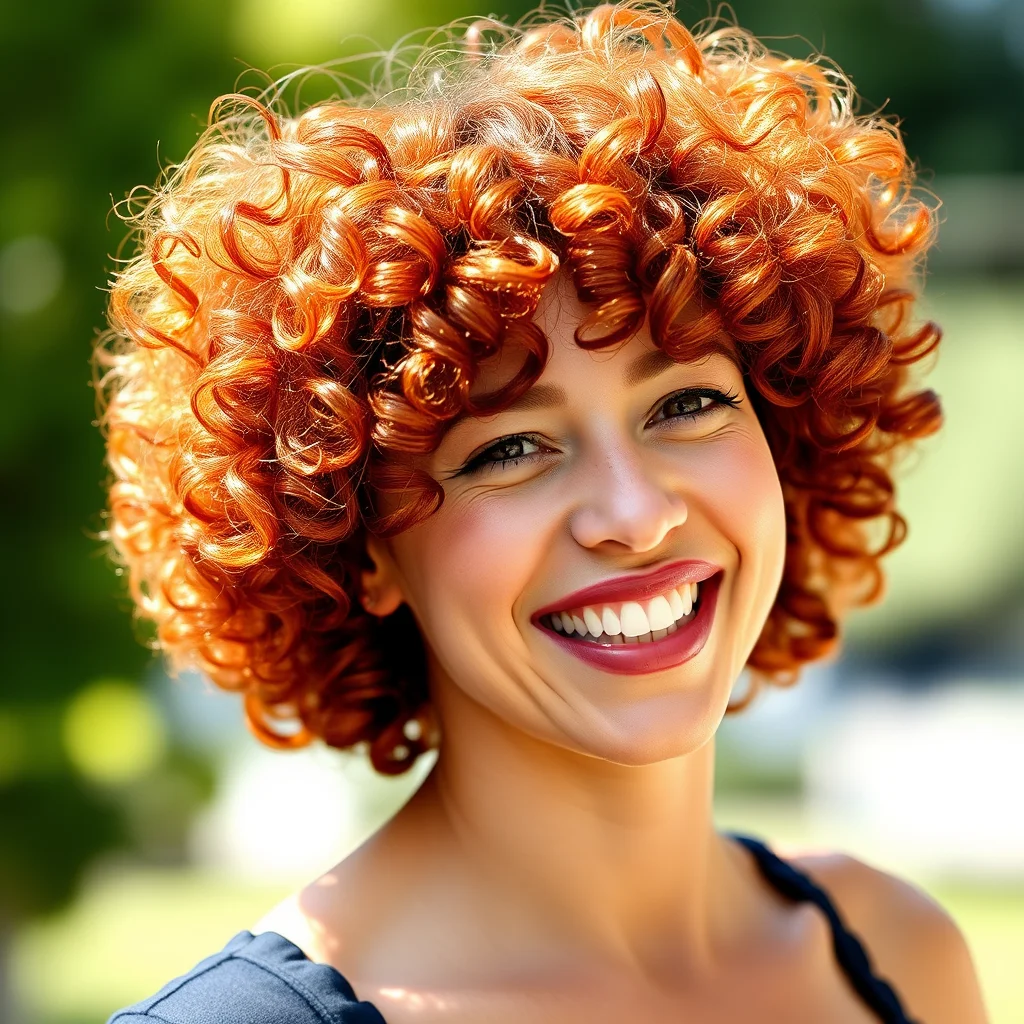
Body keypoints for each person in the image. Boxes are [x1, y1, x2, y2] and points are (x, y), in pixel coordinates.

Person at [98, 2, 988, 1021]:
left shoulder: (894, 953)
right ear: (359, 540)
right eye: (509, 448)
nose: (634, 512)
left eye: (686, 403)